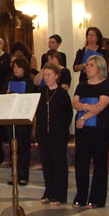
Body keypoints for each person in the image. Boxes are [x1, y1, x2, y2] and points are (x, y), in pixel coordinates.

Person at [72, 55, 109, 209]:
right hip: (82, 130)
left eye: (91, 65)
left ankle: (96, 198)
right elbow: (75, 102)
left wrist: (83, 117)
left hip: (100, 129)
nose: (87, 67)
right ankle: (81, 196)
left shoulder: (107, 85)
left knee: (99, 163)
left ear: (100, 68)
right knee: (81, 162)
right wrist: (85, 108)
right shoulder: (82, 85)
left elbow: (100, 107)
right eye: (87, 65)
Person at [34, 63, 73, 206]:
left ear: (56, 76)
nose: (46, 77)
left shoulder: (62, 94)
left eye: (49, 74)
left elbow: (68, 114)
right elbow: (38, 113)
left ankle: (60, 194)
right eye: (44, 75)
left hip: (58, 135)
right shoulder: (42, 93)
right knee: (47, 163)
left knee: (59, 163)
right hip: (44, 134)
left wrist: (62, 131)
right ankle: (48, 192)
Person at [1, 57, 37, 185]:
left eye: (18, 67)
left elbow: (29, 98)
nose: (15, 69)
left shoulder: (28, 81)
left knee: (22, 148)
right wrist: (7, 94)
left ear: (24, 68)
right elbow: (2, 95)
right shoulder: (9, 80)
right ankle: (14, 175)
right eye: (14, 67)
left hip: (22, 117)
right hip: (11, 116)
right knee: (13, 147)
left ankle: (23, 176)